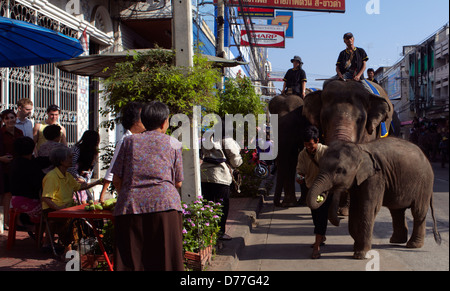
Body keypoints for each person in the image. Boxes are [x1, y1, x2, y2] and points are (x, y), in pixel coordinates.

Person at [111, 101, 184, 271]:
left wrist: (129, 194)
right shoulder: (173, 143)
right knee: (165, 261)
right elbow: (178, 182)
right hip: (165, 206)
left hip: (131, 207)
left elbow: (117, 179)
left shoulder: (129, 141)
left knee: (131, 260)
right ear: (164, 122)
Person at [41, 147, 102, 255]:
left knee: (85, 216)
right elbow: (45, 198)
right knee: (71, 221)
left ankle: (78, 245)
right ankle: (69, 248)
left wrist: (96, 182)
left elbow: (79, 187)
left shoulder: (67, 175)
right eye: (69, 158)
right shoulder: (51, 177)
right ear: (61, 161)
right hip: (52, 209)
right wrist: (59, 209)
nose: (72, 160)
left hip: (67, 208)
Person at [201, 120, 243, 240]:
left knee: (207, 204)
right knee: (222, 205)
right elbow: (236, 162)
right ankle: (220, 232)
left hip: (205, 176)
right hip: (221, 177)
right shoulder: (228, 141)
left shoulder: (208, 140)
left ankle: (208, 232)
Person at [99, 101, 146, 202]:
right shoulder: (125, 140)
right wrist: (102, 196)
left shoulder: (143, 139)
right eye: (143, 118)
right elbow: (112, 169)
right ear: (135, 120)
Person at [296, 126, 329, 259]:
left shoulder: (326, 152)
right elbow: (300, 171)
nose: (309, 148)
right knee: (315, 215)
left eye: (311, 145)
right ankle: (321, 236)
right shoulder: (303, 154)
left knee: (321, 214)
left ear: (317, 140)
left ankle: (317, 245)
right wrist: (300, 178)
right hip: (311, 189)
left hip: (325, 191)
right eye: (306, 145)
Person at [10, 136, 45, 235]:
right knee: (50, 214)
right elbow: (39, 183)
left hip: (15, 201)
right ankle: (42, 237)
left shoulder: (15, 162)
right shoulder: (30, 166)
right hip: (28, 201)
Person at [0, 109, 24, 229]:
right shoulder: (1, 132)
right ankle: (5, 222)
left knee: (16, 194)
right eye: (7, 118)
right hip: (3, 168)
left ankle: (16, 221)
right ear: (3, 120)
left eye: (12, 117)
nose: (10, 120)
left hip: (17, 168)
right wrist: (1, 158)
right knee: (6, 194)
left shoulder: (19, 132)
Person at [67, 130, 100, 204]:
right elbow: (70, 166)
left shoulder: (94, 153)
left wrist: (85, 180)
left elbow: (90, 170)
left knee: (85, 201)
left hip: (83, 182)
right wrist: (78, 178)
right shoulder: (76, 149)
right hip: (72, 181)